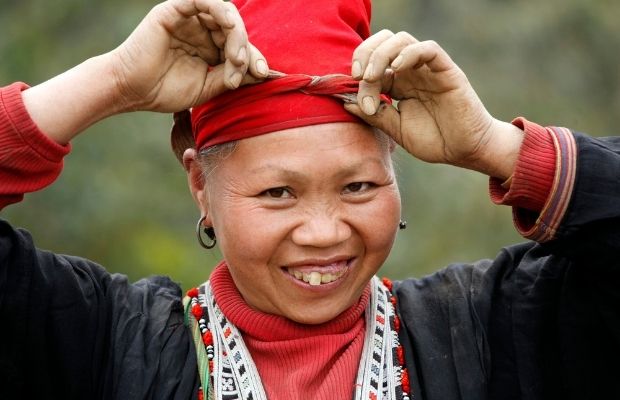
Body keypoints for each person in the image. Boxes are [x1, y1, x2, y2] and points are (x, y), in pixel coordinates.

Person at [1, 0, 618, 399]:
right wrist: (110, 81)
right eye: (277, 193)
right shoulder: (98, 342)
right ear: (200, 186)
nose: (324, 233)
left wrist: (497, 146)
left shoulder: (494, 329)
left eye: (359, 186)